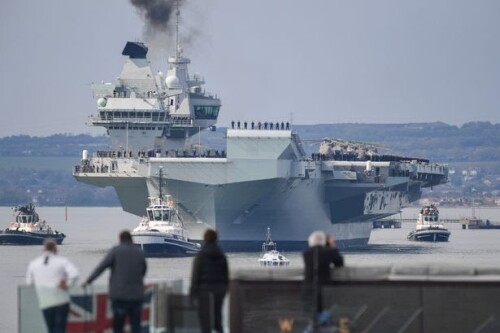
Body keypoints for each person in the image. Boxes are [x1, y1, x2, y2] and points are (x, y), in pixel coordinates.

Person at [82, 230, 147, 333]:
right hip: (136, 295)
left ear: (120, 239)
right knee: (136, 325)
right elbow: (143, 271)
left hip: (119, 295)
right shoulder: (140, 252)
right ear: (131, 239)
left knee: (118, 326)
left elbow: (101, 267)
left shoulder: (115, 251)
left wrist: (88, 281)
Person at [26, 238, 79, 333]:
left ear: (43, 249)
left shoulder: (34, 264)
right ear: (56, 249)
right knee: (60, 328)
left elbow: (29, 282)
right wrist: (67, 284)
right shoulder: (62, 261)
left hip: (45, 301)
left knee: (50, 329)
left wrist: (40, 282)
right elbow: (74, 274)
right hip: (61, 301)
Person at [190, 229, 229, 333]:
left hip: (204, 290)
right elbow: (226, 275)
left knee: (204, 319)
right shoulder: (222, 255)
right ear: (216, 239)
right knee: (218, 317)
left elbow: (195, 276)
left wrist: (192, 294)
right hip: (219, 289)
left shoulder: (200, 256)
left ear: (204, 239)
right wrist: (225, 290)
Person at [302, 230, 344, 324]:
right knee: (326, 313)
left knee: (311, 316)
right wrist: (332, 246)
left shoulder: (306, 253)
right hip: (324, 288)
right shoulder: (329, 252)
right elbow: (339, 263)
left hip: (308, 288)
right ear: (324, 242)